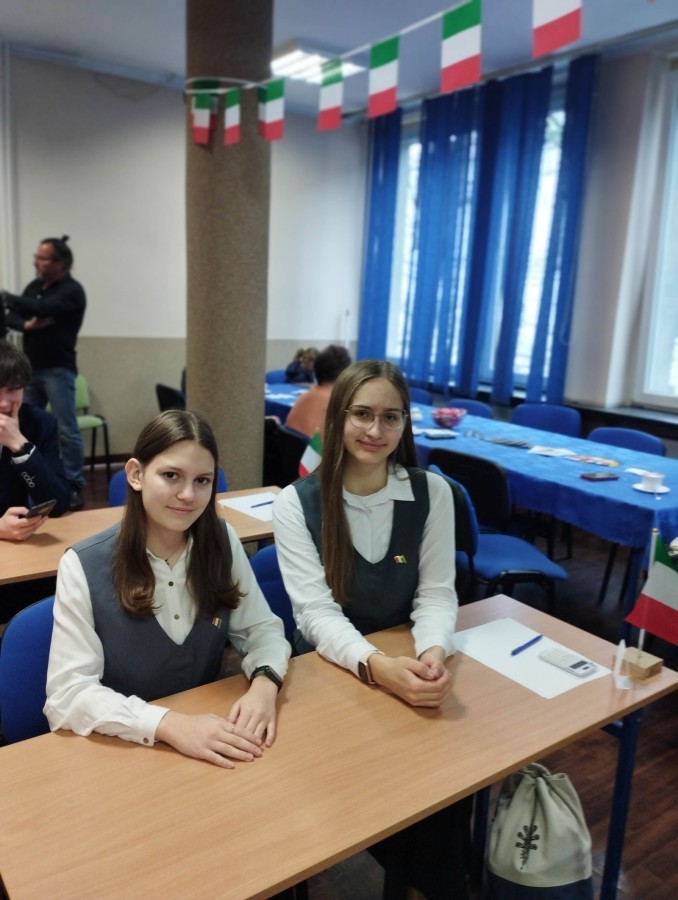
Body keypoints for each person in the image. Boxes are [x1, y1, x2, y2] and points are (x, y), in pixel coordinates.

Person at [273, 359, 470, 899]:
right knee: (351, 793)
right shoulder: (296, 502)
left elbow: (436, 592)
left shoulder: (433, 493)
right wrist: (379, 668)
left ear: (405, 424)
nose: (375, 430)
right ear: (338, 417)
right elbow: (315, 614)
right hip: (326, 668)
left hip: (405, 657)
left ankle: (424, 879)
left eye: (390, 417)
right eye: (361, 414)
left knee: (446, 787)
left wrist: (433, 652)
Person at [44, 410, 290, 768]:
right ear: (136, 474)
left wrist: (265, 685)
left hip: (208, 734)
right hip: (121, 748)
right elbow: (68, 693)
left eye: (202, 480)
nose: (187, 495)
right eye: (171, 475)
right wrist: (168, 724)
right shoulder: (82, 564)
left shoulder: (222, 540)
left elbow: (261, 629)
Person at [2, 236, 87, 510]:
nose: (36, 262)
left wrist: (9, 298)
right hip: (28, 370)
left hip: (57, 368)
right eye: (36, 257)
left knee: (63, 429)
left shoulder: (71, 290)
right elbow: (11, 316)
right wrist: (28, 325)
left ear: (61, 263)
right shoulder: (34, 287)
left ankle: (72, 484)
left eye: (43, 258)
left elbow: (43, 308)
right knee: (26, 425)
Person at [285, 343, 352, 438]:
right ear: (344, 376)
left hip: (294, 447)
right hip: (317, 447)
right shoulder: (337, 404)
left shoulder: (303, 397)